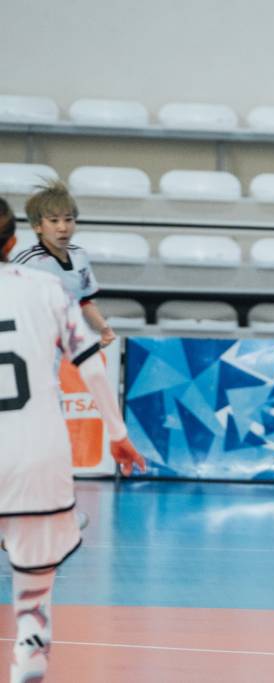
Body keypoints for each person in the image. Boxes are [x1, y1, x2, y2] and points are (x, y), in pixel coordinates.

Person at [0, 198, 146, 683]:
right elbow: (90, 365)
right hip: (33, 454)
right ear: (12, 241)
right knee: (34, 580)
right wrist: (119, 435)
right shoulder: (44, 288)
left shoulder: (60, 272)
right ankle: (29, 655)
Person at [13, 180, 116, 347]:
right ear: (37, 226)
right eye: (54, 221)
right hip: (33, 344)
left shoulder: (80, 256)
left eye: (68, 219)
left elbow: (83, 300)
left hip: (68, 343)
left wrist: (103, 328)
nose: (63, 227)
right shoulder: (26, 262)